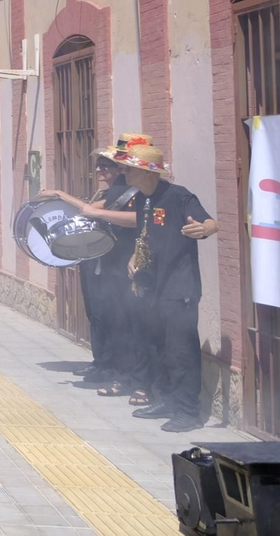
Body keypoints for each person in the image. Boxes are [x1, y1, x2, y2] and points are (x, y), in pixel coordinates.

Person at [93, 136, 216, 432]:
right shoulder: (144, 199)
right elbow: (146, 232)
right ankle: (166, 399)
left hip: (179, 288)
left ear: (149, 172)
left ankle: (188, 412)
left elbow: (210, 222)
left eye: (130, 170)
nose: (125, 174)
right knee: (157, 346)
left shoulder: (178, 195)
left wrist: (205, 229)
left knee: (180, 351)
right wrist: (135, 255)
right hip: (154, 287)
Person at [38, 146, 139, 392]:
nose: (98, 169)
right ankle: (101, 362)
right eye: (98, 165)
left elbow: (91, 210)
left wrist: (60, 194)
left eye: (104, 165)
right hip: (96, 258)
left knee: (114, 316)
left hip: (115, 261)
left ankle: (116, 368)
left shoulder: (126, 190)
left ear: (120, 168)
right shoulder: (108, 191)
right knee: (96, 313)